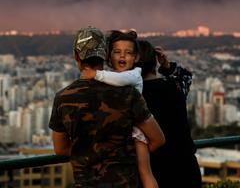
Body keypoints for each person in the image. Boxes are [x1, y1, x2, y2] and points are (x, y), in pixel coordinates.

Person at [48, 26, 165, 187]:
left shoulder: (63, 98)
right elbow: (158, 138)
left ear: (76, 56)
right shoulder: (128, 93)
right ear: (105, 55)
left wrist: (93, 152)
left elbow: (60, 149)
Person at [82, 30, 159, 188]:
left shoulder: (134, 74)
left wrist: (96, 74)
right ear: (109, 56)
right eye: (117, 52)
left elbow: (120, 79)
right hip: (123, 134)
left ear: (136, 58)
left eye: (128, 53)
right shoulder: (113, 77)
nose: (122, 56)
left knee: (145, 173)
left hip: (137, 133)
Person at [138, 40, 202, 188]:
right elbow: (186, 77)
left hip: (154, 171)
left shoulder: (132, 96)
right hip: (187, 169)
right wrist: (166, 65)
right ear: (154, 62)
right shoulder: (175, 87)